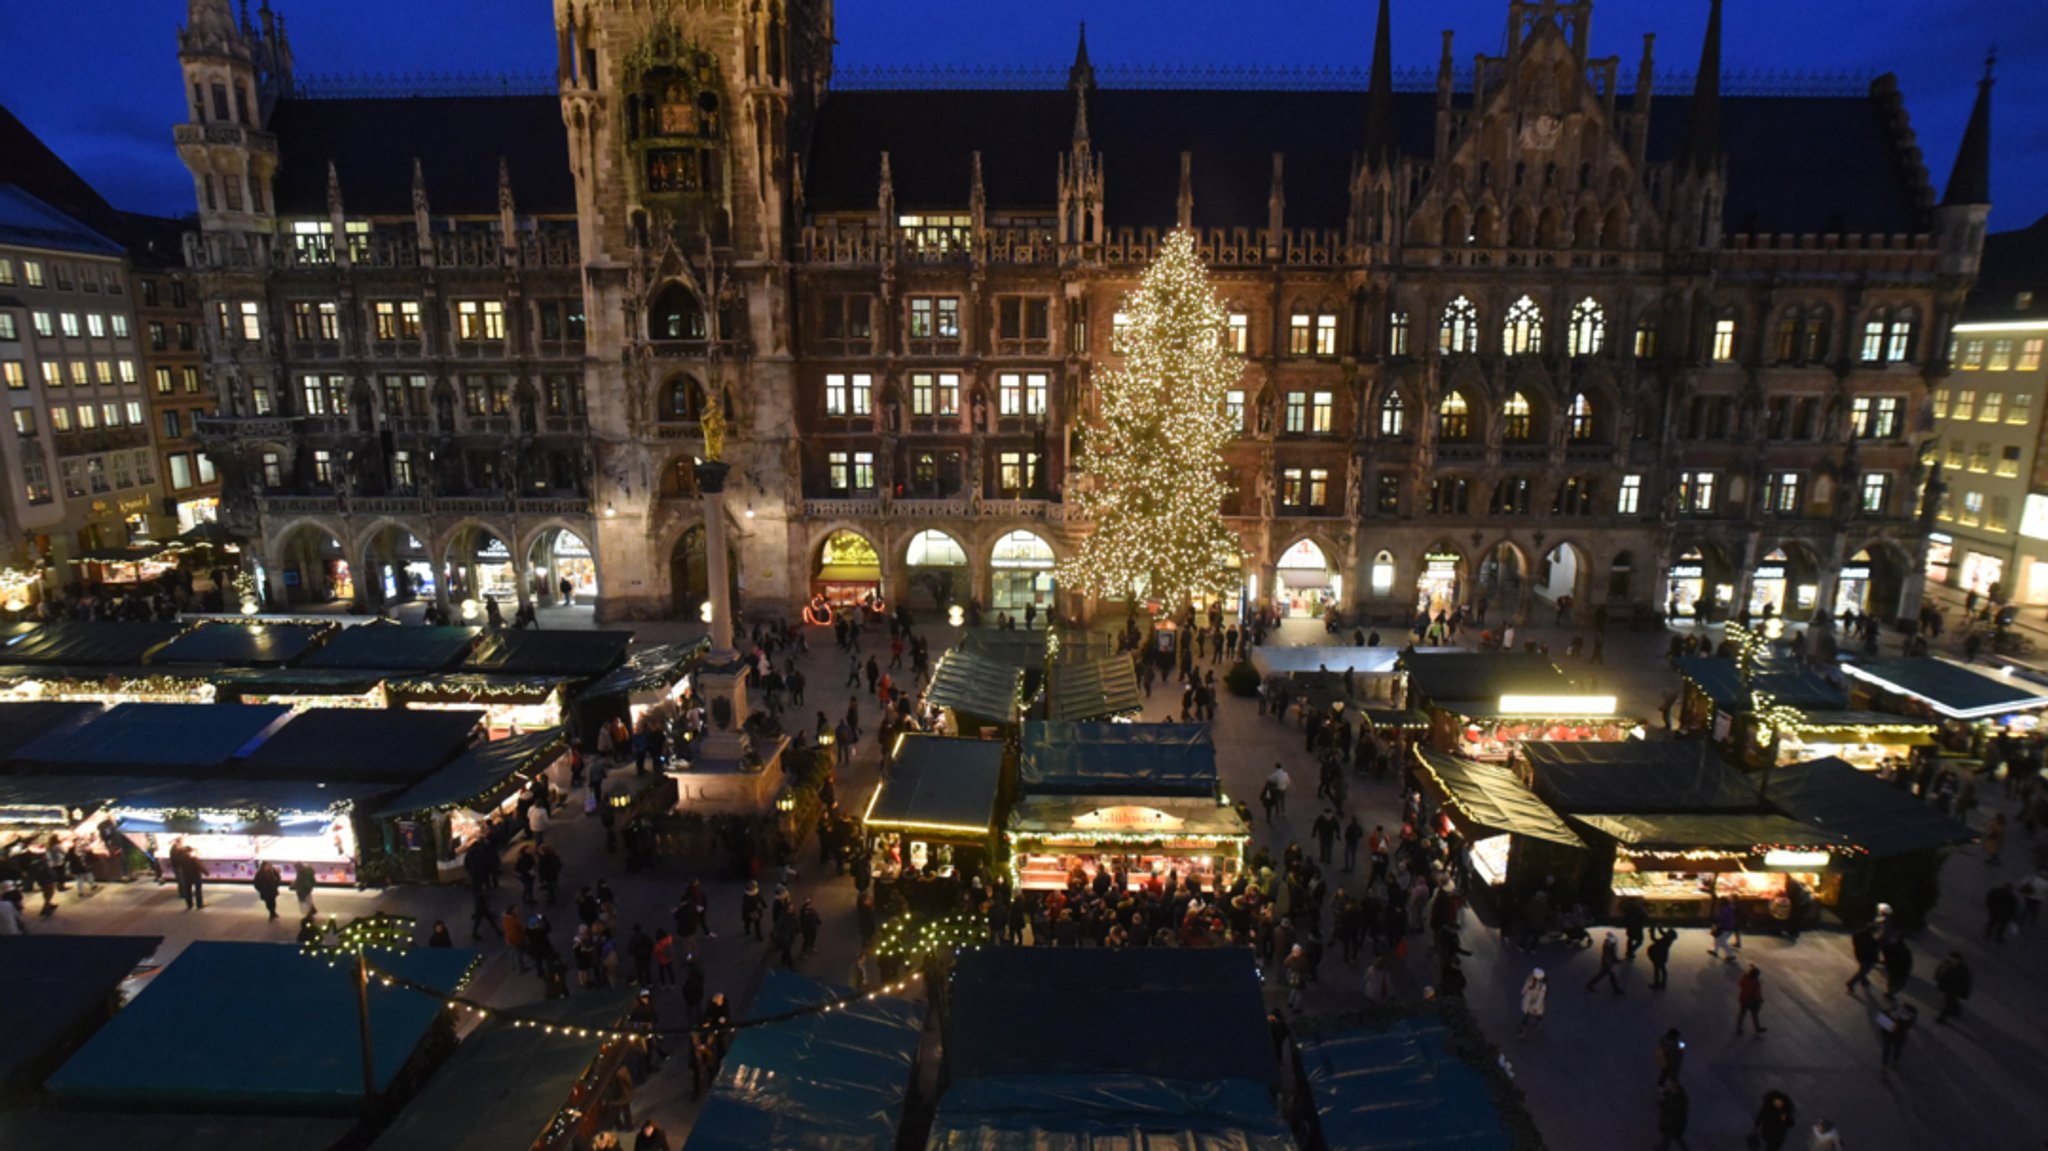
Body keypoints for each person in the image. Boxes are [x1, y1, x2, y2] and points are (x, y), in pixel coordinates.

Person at [1876, 996, 1916, 1073]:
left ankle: (1887, 1066)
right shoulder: (1894, 1012)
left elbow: (1882, 1016)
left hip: (1892, 1034)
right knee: (1893, 1049)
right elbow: (1882, 1016)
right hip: (1895, 1034)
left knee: (1889, 1049)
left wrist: (1897, 1023)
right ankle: (1892, 1064)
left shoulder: (1895, 1012)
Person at [1933, 951, 1972, 1023]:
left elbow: (1965, 983)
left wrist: (1962, 991)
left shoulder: (1963, 970)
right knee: (1950, 1001)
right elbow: (1939, 971)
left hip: (1953, 989)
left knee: (1947, 1003)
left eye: (1952, 960)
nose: (1950, 961)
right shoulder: (1946, 964)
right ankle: (1955, 1011)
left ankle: (1941, 1018)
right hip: (1947, 987)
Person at [1655, 1080, 1691, 1151]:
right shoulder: (1677, 1096)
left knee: (1672, 1136)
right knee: (1672, 1137)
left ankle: (1662, 1148)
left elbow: (1672, 1108)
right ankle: (1663, 1148)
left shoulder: (1679, 1099)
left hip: (1675, 1122)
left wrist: (1662, 1103)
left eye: (1673, 1087)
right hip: (1673, 1121)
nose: (1671, 1088)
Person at [1844, 922, 1880, 993]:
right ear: (1872, 930)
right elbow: (1873, 950)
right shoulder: (1871, 939)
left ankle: (1864, 980)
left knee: (1863, 968)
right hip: (1867, 957)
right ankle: (1851, 983)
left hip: (1859, 954)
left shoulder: (1858, 934)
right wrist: (1876, 959)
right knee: (1864, 971)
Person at [1736, 963, 1767, 1035]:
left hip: (1744, 999)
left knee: (1742, 1015)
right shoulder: (1756, 983)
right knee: (1755, 1016)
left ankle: (1739, 1028)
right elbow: (1756, 993)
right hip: (1752, 1002)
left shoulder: (1745, 977)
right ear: (1755, 975)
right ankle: (1757, 1028)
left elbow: (1741, 984)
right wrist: (1760, 1000)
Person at [1516, 968, 1548, 1038]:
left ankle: (1537, 1023)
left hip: (1535, 1002)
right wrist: (1522, 992)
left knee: (1538, 1014)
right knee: (1526, 1016)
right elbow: (1526, 985)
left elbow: (1540, 997)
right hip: (1528, 999)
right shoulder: (1530, 978)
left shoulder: (1542, 985)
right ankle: (1522, 1031)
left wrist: (1535, 1007)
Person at [1646, 925, 1678, 990]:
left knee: (1657, 969)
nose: (1666, 932)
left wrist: (1652, 932)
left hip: (1658, 956)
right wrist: (1659, 928)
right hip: (1662, 956)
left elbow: (1654, 939)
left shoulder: (1665, 940)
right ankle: (1662, 983)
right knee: (1662, 969)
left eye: (1668, 932)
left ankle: (1657, 983)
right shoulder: (1668, 938)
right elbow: (1662, 933)